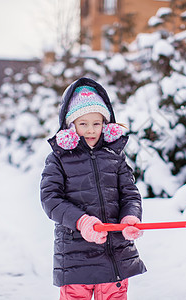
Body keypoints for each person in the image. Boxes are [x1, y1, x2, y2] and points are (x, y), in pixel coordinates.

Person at [40, 77, 146, 300]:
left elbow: (129, 193)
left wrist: (129, 218)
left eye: (96, 123)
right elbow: (50, 199)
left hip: (115, 254)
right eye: (83, 123)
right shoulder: (59, 158)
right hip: (76, 256)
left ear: (105, 124)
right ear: (71, 125)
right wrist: (82, 221)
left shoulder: (114, 155)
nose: (90, 130)